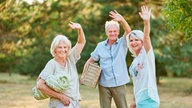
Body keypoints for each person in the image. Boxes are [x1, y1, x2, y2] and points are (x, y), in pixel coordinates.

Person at [80, 10, 131, 108]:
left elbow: (128, 31)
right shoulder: (100, 46)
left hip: (119, 84)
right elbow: (90, 61)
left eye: (115, 31)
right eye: (110, 31)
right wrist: (83, 76)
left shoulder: (122, 43)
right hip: (104, 84)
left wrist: (122, 20)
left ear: (118, 32)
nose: (112, 33)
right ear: (106, 32)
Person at [36, 21, 86, 108]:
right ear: (54, 49)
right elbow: (40, 85)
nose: (63, 50)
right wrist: (61, 97)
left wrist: (79, 29)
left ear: (68, 48)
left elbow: (81, 43)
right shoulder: (52, 64)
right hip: (60, 103)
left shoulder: (71, 58)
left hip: (74, 101)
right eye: (60, 47)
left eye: (65, 47)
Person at [127, 6, 160, 108]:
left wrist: (146, 22)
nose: (133, 42)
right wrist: (134, 100)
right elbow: (136, 81)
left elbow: (146, 37)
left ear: (141, 41)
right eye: (131, 40)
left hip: (149, 98)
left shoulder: (146, 54)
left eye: (137, 40)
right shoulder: (135, 60)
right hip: (139, 98)